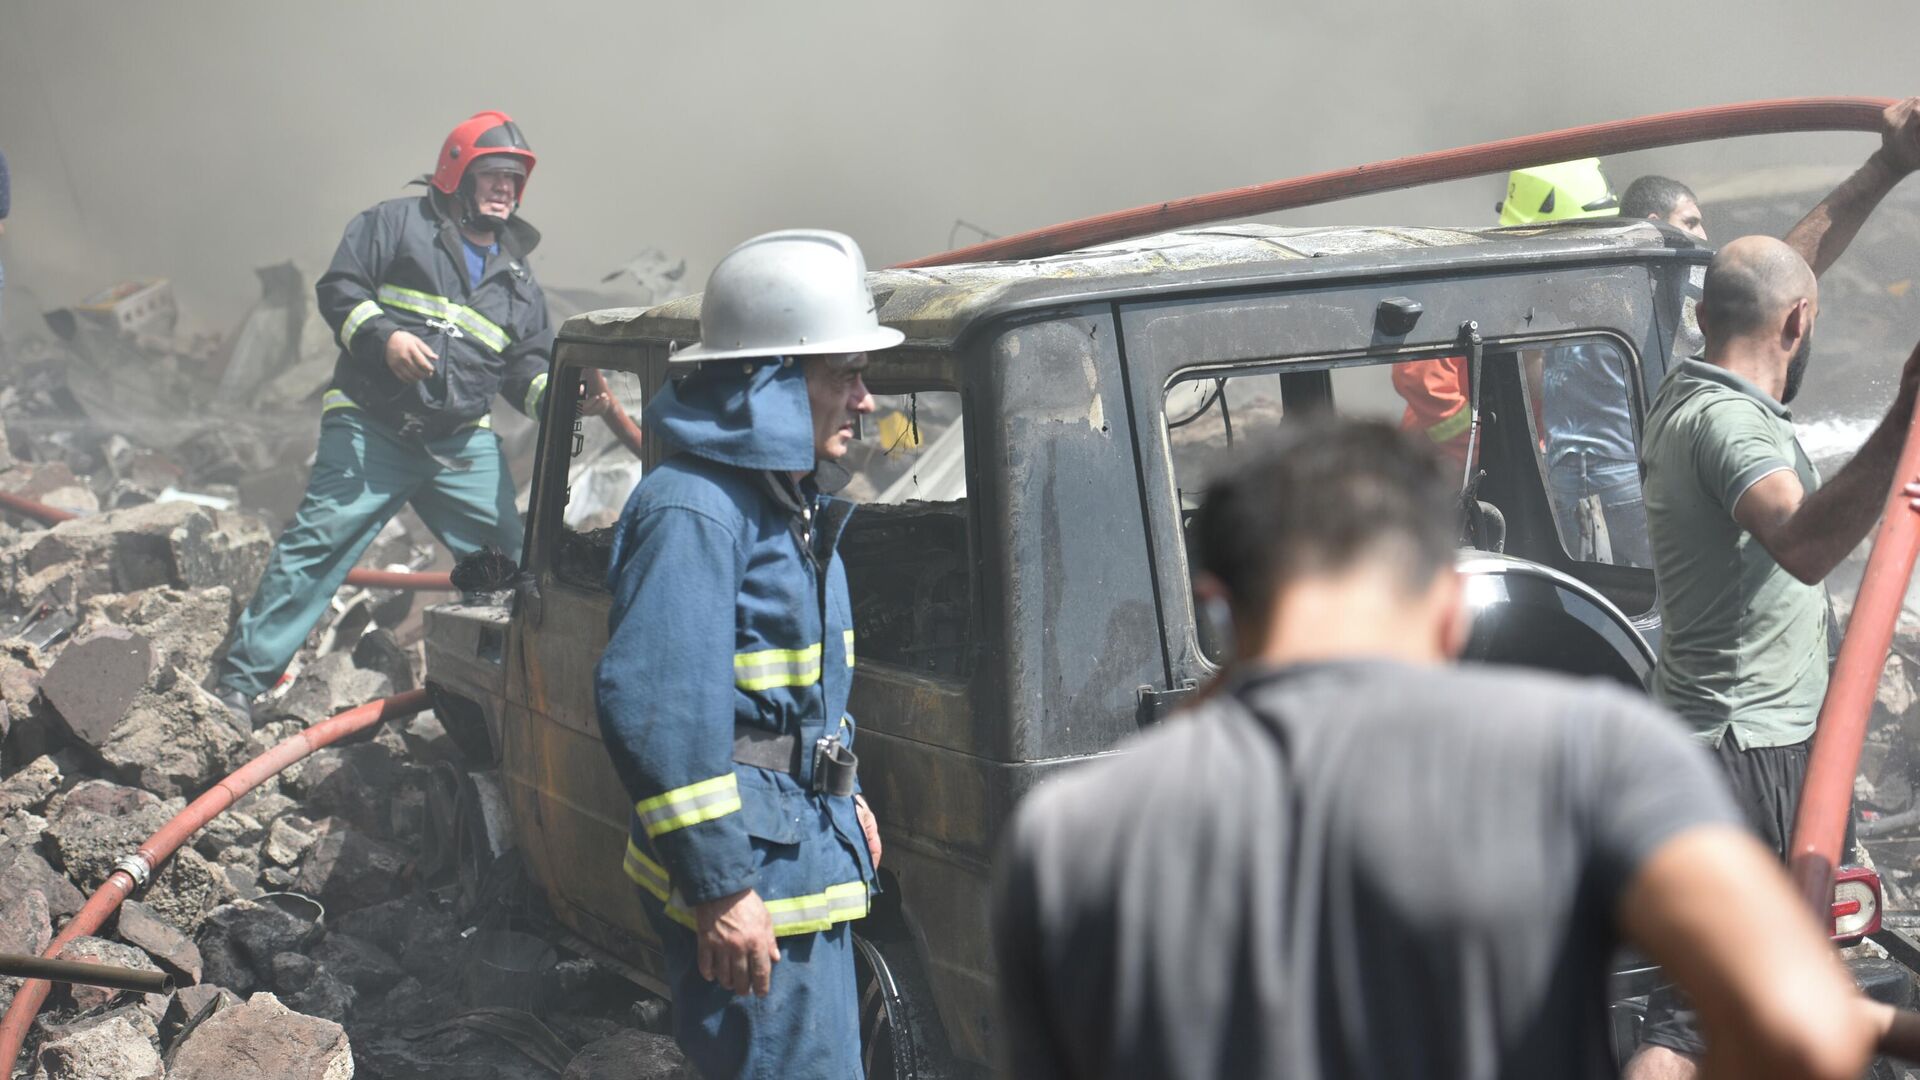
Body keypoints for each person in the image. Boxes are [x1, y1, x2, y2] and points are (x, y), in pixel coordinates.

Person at [991, 416, 1892, 1080]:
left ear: (1221, 604)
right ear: (1453, 607)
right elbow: (1804, 1031)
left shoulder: (1069, 836)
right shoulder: (1594, 753)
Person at [595, 229, 891, 1078]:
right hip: (753, 881)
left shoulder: (781, 502)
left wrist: (847, 789)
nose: (864, 400)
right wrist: (719, 888)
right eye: (844, 374)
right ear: (770, 382)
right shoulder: (695, 511)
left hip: (798, 855)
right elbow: (656, 711)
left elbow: (797, 695)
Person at [1625, 236, 1920, 1079]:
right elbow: (1801, 541)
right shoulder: (1727, 424)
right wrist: (1904, 412)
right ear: (1800, 321)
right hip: (1752, 751)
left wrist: (1889, 165)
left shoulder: (1688, 386)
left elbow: (1776, 270)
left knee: (1722, 996)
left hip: (1718, 741)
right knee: (1687, 1024)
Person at [212, 111, 569, 723]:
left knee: (509, 568)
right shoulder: (394, 225)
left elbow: (525, 369)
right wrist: (383, 339)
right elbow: (340, 290)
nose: (507, 189)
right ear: (457, 171)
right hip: (371, 429)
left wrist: (563, 398)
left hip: (459, 447)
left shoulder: (518, 278)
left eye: (515, 180)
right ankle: (237, 687)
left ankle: (502, 698)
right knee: (317, 548)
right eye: (495, 175)